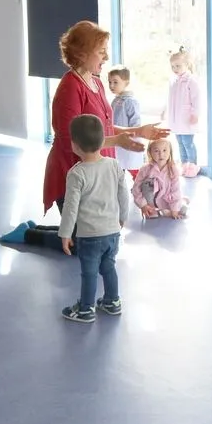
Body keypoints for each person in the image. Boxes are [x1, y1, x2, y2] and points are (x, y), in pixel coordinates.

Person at [0, 21, 167, 250]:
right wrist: (118, 141)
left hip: (95, 173)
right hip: (72, 173)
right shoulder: (70, 87)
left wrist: (138, 131)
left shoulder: (96, 82)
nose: (106, 57)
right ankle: (28, 234)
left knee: (94, 235)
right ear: (82, 53)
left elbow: (102, 128)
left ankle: (35, 229)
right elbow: (74, 141)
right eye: (101, 51)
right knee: (84, 244)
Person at [57, 115, 131, 323]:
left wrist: (65, 234)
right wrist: (123, 216)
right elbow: (124, 194)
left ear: (74, 145)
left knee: (89, 273)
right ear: (102, 140)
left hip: (89, 235)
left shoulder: (77, 173)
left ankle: (85, 309)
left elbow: (70, 207)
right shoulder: (114, 165)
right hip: (112, 232)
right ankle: (112, 302)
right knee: (109, 266)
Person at [165, 46, 201, 177]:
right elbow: (170, 99)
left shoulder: (191, 80)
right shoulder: (173, 81)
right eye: (173, 66)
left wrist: (195, 114)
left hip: (186, 118)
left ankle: (193, 165)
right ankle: (184, 164)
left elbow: (197, 99)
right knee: (180, 143)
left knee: (188, 143)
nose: (175, 69)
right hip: (176, 119)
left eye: (178, 66)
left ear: (186, 64)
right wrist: (165, 112)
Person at [132, 138, 188, 219]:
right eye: (156, 151)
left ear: (170, 152)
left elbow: (176, 190)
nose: (161, 154)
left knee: (183, 210)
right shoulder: (145, 169)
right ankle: (153, 209)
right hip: (150, 202)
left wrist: (174, 210)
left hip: (168, 201)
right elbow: (136, 188)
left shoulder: (173, 169)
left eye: (164, 150)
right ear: (150, 152)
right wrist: (143, 205)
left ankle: (181, 201)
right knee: (146, 184)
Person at [108, 66, 144, 179]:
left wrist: (132, 139)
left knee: (135, 170)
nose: (111, 85)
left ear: (126, 82)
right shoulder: (115, 100)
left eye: (115, 82)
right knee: (118, 169)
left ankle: (141, 188)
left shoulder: (131, 102)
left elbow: (136, 124)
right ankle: (118, 188)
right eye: (109, 82)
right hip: (118, 141)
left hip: (129, 142)